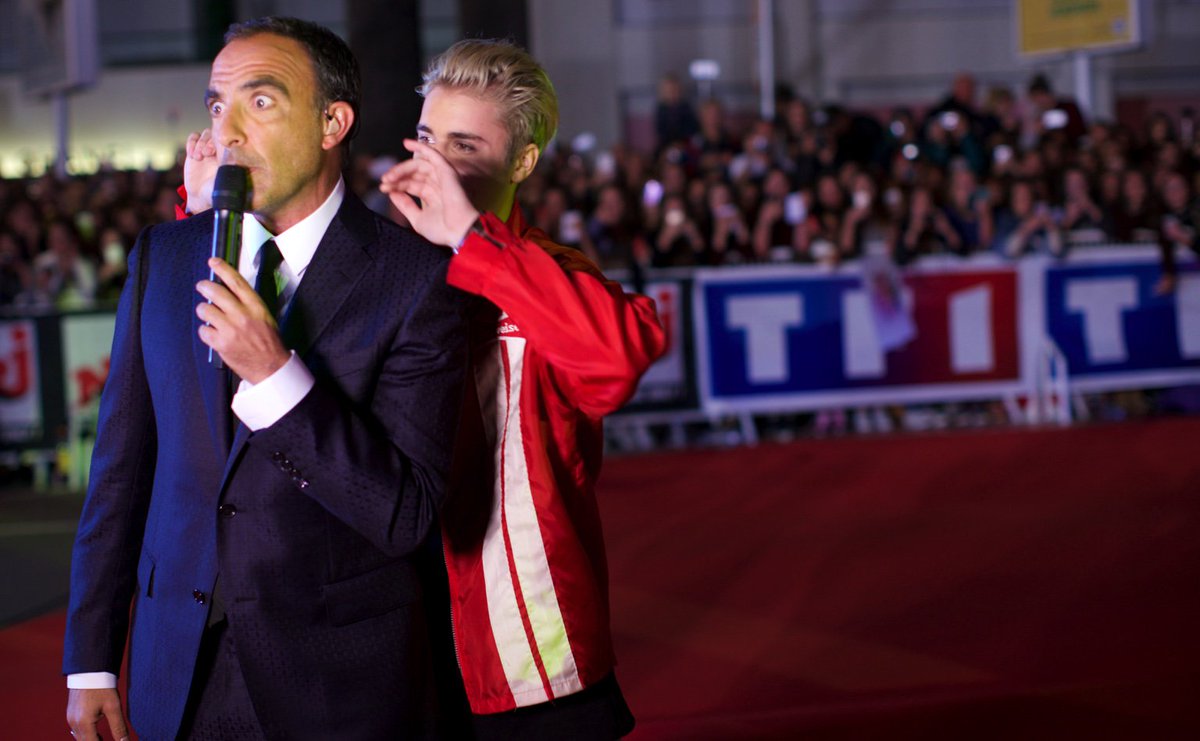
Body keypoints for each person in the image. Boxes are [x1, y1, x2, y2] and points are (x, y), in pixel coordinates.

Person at [62, 16, 466, 740]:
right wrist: (91, 662)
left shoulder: (415, 280)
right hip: (175, 673)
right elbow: (121, 472)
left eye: (262, 101)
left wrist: (278, 376)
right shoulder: (164, 255)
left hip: (340, 682)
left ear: (333, 121)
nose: (229, 131)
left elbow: (405, 512)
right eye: (217, 105)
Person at [379, 38, 667, 739]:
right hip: (392, 645)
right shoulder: (373, 267)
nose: (435, 163)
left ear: (522, 161)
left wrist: (475, 246)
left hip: (527, 652)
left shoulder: (550, 271)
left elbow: (620, 357)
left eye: (464, 146)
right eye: (426, 138)